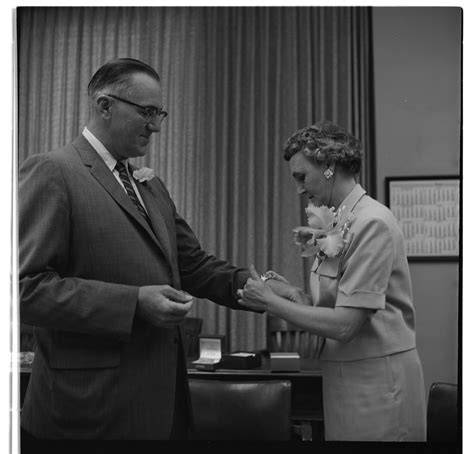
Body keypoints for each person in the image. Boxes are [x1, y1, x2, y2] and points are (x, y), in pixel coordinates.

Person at [19, 57, 252, 440]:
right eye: (146, 112)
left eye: (160, 113)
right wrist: (134, 302)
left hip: (162, 406)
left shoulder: (150, 185)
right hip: (87, 411)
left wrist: (252, 287)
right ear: (104, 105)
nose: (156, 126)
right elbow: (25, 289)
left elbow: (191, 266)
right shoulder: (53, 171)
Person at [238, 120, 427, 441]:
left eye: (301, 177)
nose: (299, 189)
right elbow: (340, 305)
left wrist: (273, 303)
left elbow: (345, 325)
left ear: (329, 166)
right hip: (347, 378)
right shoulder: (341, 219)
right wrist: (295, 296)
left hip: (378, 384)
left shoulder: (372, 222)